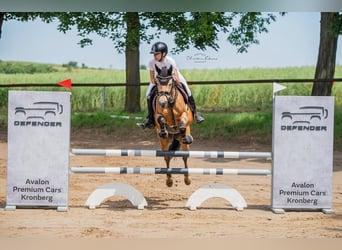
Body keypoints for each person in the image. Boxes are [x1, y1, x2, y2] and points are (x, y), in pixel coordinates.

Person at [138, 41, 204, 129]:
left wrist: (174, 82)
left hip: (173, 77)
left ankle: (196, 113)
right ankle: (150, 118)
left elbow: (175, 76)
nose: (154, 56)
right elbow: (152, 79)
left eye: (156, 54)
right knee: (148, 95)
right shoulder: (151, 62)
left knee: (187, 90)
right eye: (153, 54)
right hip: (159, 79)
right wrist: (159, 83)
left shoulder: (170, 61)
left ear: (164, 53)